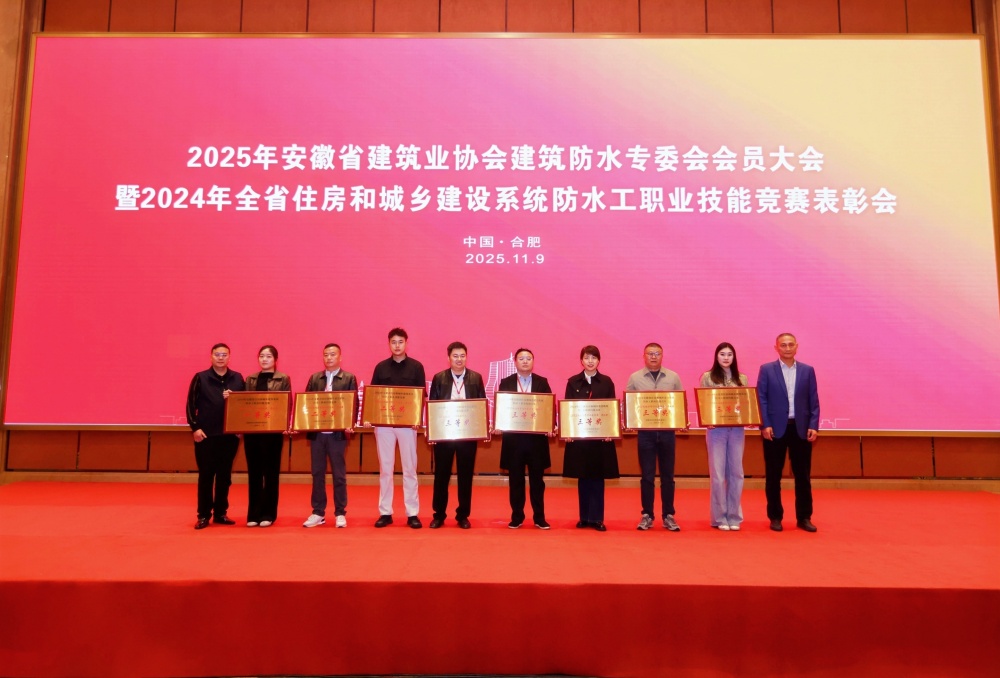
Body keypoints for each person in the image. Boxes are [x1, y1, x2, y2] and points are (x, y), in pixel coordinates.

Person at [757, 332, 820, 533]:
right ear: (776, 347)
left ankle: (804, 517)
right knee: (773, 476)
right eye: (783, 345)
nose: (787, 348)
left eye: (790, 344)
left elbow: (813, 400)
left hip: (801, 429)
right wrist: (765, 424)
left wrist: (813, 425)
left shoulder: (807, 370)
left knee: (803, 476)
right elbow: (761, 398)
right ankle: (775, 517)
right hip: (774, 430)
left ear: (796, 346)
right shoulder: (766, 369)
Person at [368, 328, 426, 529]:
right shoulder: (381, 367)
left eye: (400, 342)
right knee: (386, 469)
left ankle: (412, 513)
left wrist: (416, 419)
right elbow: (374, 396)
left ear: (406, 343)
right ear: (389, 344)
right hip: (384, 426)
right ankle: (385, 512)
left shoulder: (416, 367)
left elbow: (421, 396)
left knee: (410, 469)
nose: (397, 345)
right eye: (393, 342)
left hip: (407, 426)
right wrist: (370, 418)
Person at [185, 343, 245, 529]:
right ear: (211, 357)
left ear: (229, 357)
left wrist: (235, 401)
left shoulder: (237, 378)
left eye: (224, 354)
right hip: (206, 436)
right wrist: (195, 428)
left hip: (229, 436)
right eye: (217, 354)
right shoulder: (201, 377)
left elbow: (245, 405)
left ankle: (220, 513)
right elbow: (190, 405)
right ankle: (203, 515)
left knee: (224, 477)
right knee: (206, 476)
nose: (220, 357)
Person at [427, 342, 486, 529]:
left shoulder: (476, 378)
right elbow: (433, 406)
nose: (459, 359)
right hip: (444, 435)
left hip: (467, 435)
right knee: (441, 475)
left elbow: (481, 404)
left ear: (466, 357)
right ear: (448, 358)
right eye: (455, 356)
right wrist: (433, 432)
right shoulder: (439, 378)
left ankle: (463, 515)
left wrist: (482, 428)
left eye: (462, 356)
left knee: (465, 476)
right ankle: (439, 515)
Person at [626, 342, 683, 531]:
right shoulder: (635, 378)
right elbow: (629, 405)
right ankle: (647, 515)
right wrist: (629, 422)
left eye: (657, 353)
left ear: (662, 356)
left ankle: (669, 515)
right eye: (650, 353)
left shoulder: (673, 377)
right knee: (647, 476)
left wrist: (681, 421)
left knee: (668, 476)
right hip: (645, 435)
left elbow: (679, 404)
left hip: (667, 434)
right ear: (644, 356)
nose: (653, 356)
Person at [562, 345, 619, 531]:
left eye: (594, 358)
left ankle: (597, 519)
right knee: (583, 478)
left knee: (597, 479)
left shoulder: (607, 382)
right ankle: (584, 517)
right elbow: (568, 409)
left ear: (599, 360)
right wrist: (567, 431)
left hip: (600, 440)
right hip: (580, 439)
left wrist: (611, 430)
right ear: (581, 360)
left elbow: (611, 410)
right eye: (587, 358)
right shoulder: (573, 382)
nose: (590, 361)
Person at [496, 348, 554, 529]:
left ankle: (539, 517)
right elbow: (501, 409)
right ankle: (517, 516)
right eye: (521, 358)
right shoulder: (506, 382)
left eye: (529, 358)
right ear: (515, 361)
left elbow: (549, 408)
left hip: (536, 441)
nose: (525, 361)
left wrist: (550, 425)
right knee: (516, 481)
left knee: (537, 481)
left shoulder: (542, 382)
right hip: (514, 441)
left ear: (533, 362)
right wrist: (498, 424)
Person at [302, 343, 358, 528]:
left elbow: (353, 404)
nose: (329, 357)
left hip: (337, 435)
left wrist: (349, 424)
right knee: (317, 473)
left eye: (333, 354)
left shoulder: (348, 378)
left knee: (339, 474)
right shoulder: (314, 378)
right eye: (326, 354)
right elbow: (306, 403)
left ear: (340, 357)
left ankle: (340, 512)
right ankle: (318, 512)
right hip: (317, 434)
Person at [699, 342, 749, 532]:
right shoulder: (707, 377)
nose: (726, 358)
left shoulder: (741, 378)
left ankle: (734, 516)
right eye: (722, 354)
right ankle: (719, 517)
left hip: (736, 430)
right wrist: (707, 419)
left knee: (737, 473)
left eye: (729, 354)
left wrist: (749, 417)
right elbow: (704, 403)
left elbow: (745, 404)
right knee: (718, 475)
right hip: (716, 431)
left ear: (734, 357)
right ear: (716, 356)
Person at [242, 345, 291, 527]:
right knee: (254, 473)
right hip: (252, 433)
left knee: (271, 474)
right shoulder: (250, 379)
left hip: (273, 433)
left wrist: (284, 424)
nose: (264, 359)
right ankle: (253, 514)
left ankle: (268, 514)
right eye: (261, 356)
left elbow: (287, 403)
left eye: (268, 356)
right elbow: (244, 404)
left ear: (275, 359)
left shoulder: (283, 378)